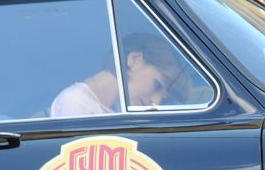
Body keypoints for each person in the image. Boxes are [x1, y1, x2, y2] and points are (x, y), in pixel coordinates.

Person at [50, 33, 188, 117]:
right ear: (134, 59)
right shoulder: (76, 103)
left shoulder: (114, 110)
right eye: (157, 85)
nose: (156, 101)